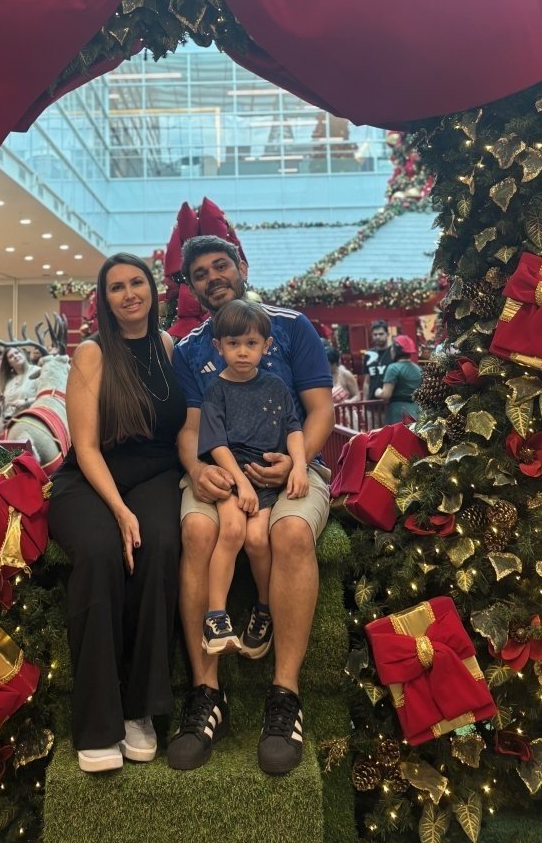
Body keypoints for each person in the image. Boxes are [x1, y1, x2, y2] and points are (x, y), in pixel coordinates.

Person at [168, 237, 334, 776]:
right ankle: (206, 692)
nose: (212, 277)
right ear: (191, 287)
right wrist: (198, 471)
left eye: (221, 266)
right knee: (197, 531)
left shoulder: (291, 327)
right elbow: (191, 428)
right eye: (200, 273)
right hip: (220, 472)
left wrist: (295, 463)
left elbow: (319, 410)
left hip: (291, 469)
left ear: (241, 266)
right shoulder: (191, 350)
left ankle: (285, 695)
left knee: (290, 534)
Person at [47, 254, 186, 774]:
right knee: (101, 552)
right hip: (91, 478)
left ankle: (139, 711)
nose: (129, 294)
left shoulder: (167, 346)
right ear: (103, 300)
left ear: (152, 289)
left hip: (156, 475)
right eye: (116, 287)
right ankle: (97, 724)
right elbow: (84, 447)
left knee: (161, 545)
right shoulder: (92, 353)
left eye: (136, 283)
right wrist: (121, 511)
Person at [198, 300, 308, 657]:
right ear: (219, 346)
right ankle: (215, 617)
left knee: (258, 538)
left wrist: (299, 466)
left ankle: (264, 609)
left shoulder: (275, 386)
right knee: (232, 530)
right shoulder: (216, 390)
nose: (242, 352)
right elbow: (216, 444)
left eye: (251, 343)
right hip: (232, 476)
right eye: (233, 344)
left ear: (266, 345)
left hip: (267, 477)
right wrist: (241, 483)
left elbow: (293, 428)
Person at [379, 334, 423, 426]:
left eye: (392, 348)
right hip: (416, 411)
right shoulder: (418, 369)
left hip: (398, 413)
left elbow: (386, 395)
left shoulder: (393, 368)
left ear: (396, 350)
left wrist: (377, 392)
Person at [0, 345, 42, 426]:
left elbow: (46, 397)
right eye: (11, 356)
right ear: (9, 363)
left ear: (23, 354)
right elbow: (3, 408)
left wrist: (26, 402)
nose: (15, 356)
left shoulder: (38, 372)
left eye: (17, 352)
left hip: (32, 421)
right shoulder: (9, 381)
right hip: (10, 423)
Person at [363, 320, 394, 400]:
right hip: (372, 401)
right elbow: (367, 381)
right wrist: (364, 401)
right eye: (375, 334)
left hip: (390, 400)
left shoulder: (393, 352)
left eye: (381, 334)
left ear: (387, 334)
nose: (378, 337)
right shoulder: (369, 354)